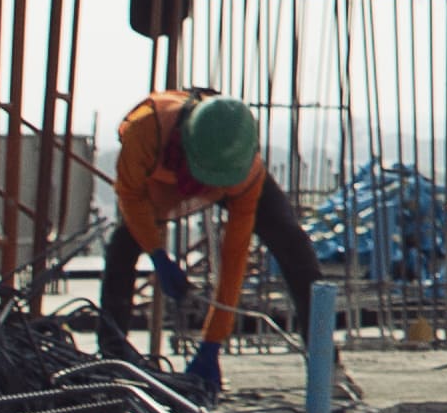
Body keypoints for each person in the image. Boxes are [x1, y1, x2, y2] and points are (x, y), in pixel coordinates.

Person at [96, 87, 318, 396]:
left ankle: (325, 361)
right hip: (163, 178)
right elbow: (130, 198)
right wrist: (157, 254)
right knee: (123, 245)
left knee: (293, 245)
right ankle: (112, 359)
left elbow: (234, 257)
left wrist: (213, 340)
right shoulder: (145, 129)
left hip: (221, 177)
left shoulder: (245, 171)